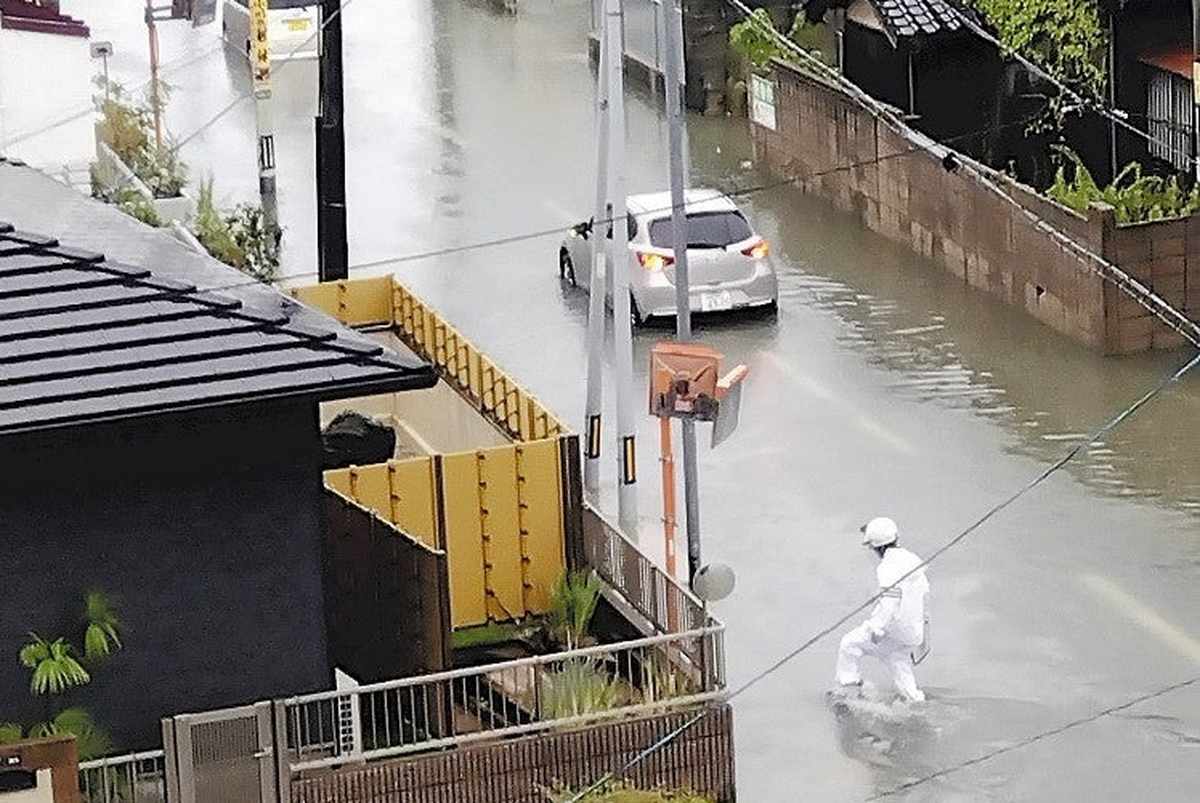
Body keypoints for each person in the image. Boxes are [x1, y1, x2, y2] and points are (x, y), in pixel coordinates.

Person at [835, 516, 930, 703]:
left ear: (877, 547)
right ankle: (917, 702)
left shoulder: (887, 567)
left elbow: (889, 602)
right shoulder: (913, 560)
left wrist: (876, 628)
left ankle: (848, 689)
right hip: (912, 634)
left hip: (893, 632)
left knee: (849, 644)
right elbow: (924, 597)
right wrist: (924, 634)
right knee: (899, 666)